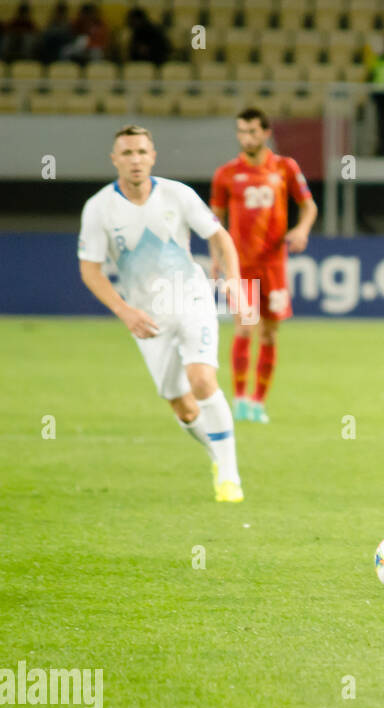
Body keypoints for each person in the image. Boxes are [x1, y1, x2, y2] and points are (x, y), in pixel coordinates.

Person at [77, 125, 249, 502]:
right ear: (115, 160)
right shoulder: (99, 208)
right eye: (127, 153)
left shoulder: (177, 194)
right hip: (147, 317)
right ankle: (217, 456)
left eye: (142, 152)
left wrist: (234, 280)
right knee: (183, 407)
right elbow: (90, 269)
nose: (135, 160)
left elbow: (219, 235)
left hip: (190, 299)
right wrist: (125, 312)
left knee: (202, 379)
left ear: (153, 156)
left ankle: (230, 476)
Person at [209, 107, 317, 424]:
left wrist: (302, 230)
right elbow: (214, 221)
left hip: (273, 266)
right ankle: (240, 400)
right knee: (245, 327)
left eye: (252, 131)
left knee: (269, 334)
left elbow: (308, 206)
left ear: (266, 133)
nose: (247, 137)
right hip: (240, 265)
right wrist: (216, 259)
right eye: (242, 131)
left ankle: (258, 402)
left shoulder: (285, 167)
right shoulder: (226, 173)